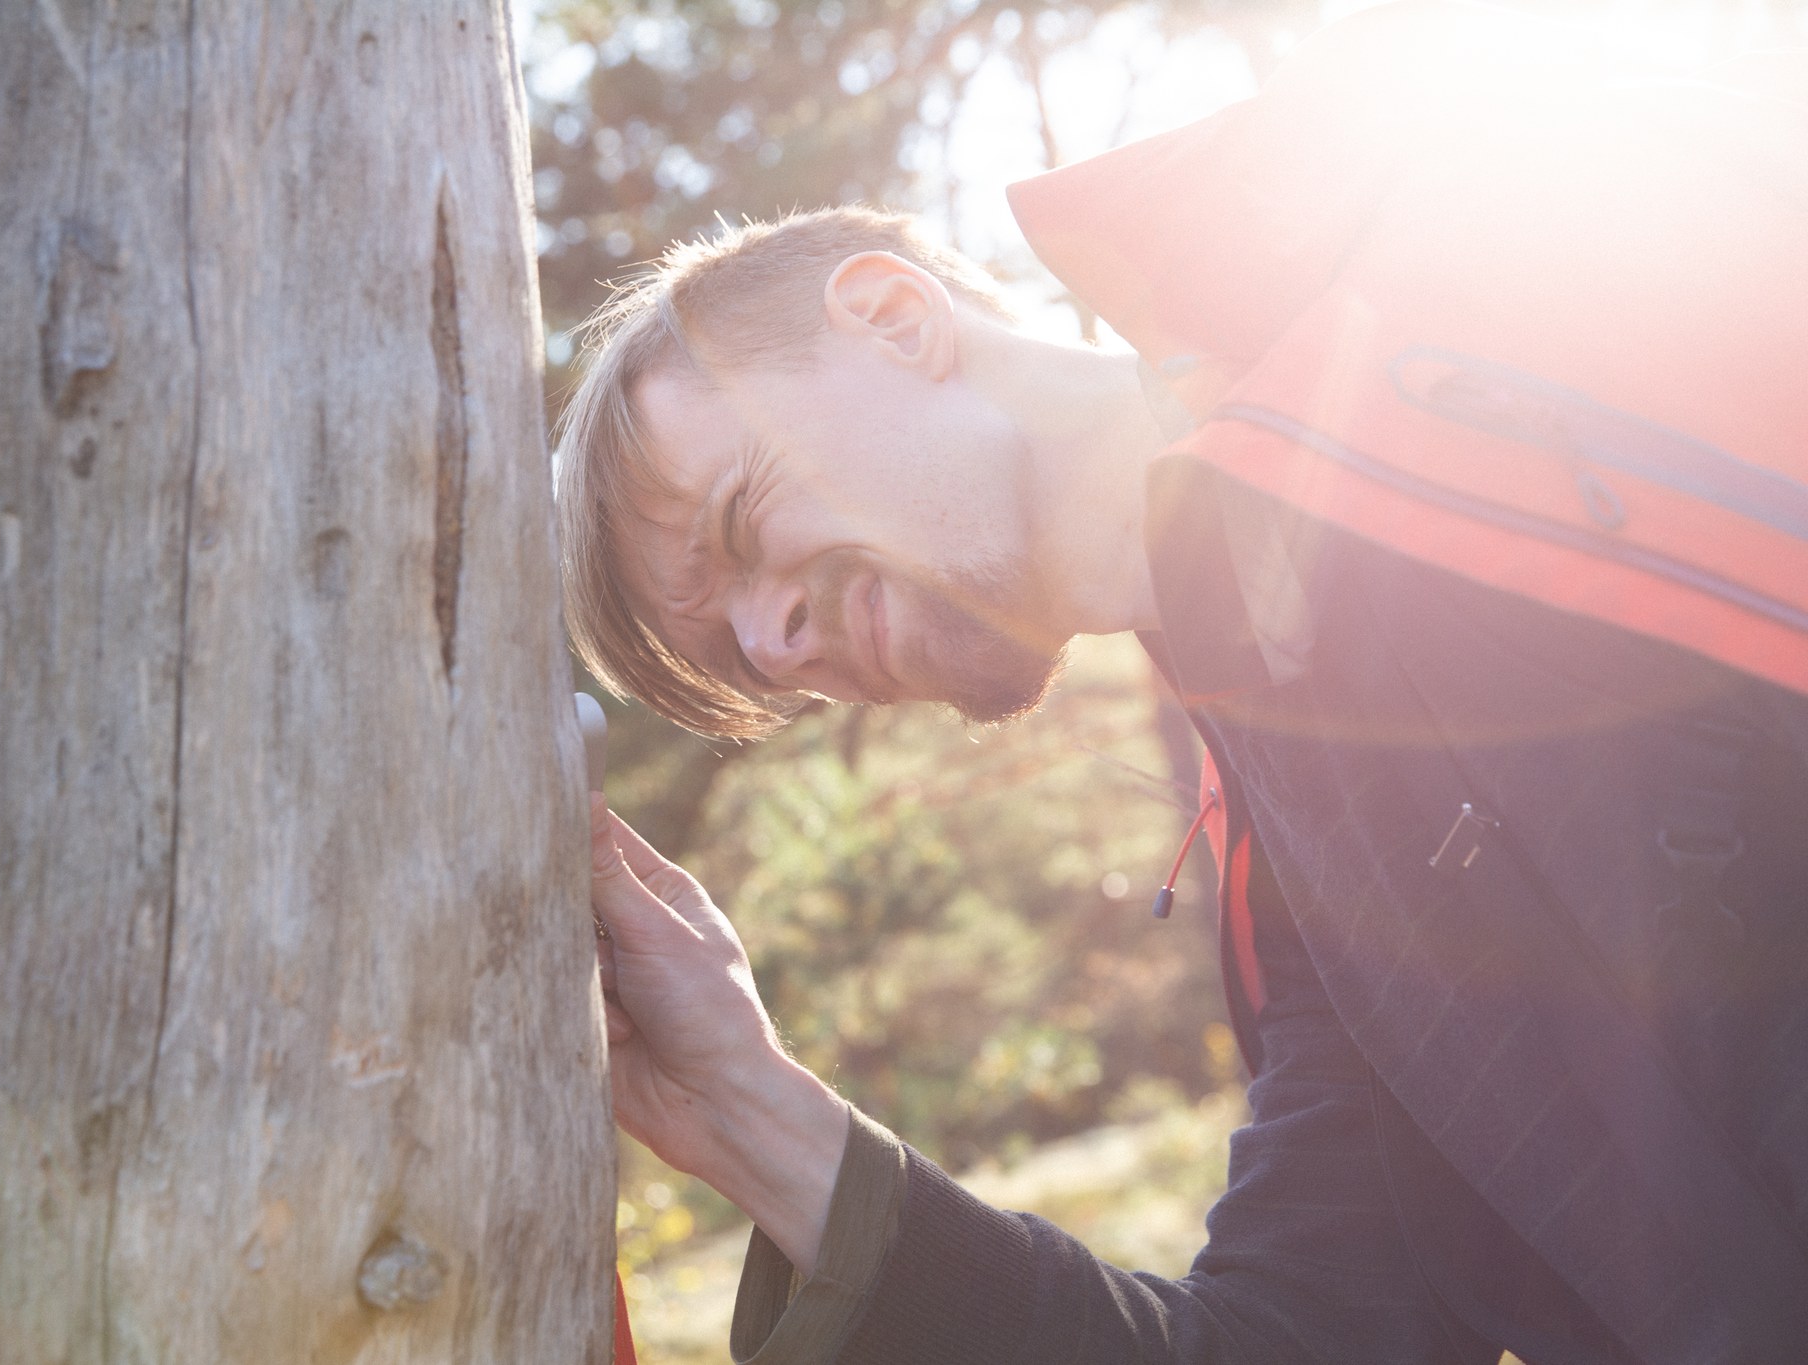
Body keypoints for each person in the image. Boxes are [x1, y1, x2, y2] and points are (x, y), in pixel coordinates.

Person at [555, 4, 1808, 1361]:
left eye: (742, 522)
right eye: (742, 655)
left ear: (890, 316)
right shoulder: (1315, 887)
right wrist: (751, 1113)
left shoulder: (1506, 245)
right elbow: (1294, 1342)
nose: (781, 646)